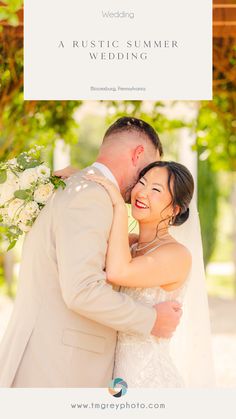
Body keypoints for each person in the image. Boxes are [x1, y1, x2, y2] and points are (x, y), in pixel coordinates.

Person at [0, 117, 182, 388]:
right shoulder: (90, 195)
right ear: (137, 154)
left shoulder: (71, 186)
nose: (143, 188)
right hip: (58, 371)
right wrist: (152, 319)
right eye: (147, 173)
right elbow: (83, 290)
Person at [83, 160, 194, 387]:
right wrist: (79, 176)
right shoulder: (131, 245)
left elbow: (117, 272)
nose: (142, 192)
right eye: (142, 183)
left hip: (148, 379)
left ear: (175, 209)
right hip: (115, 377)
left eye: (156, 190)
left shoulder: (177, 255)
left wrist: (117, 204)